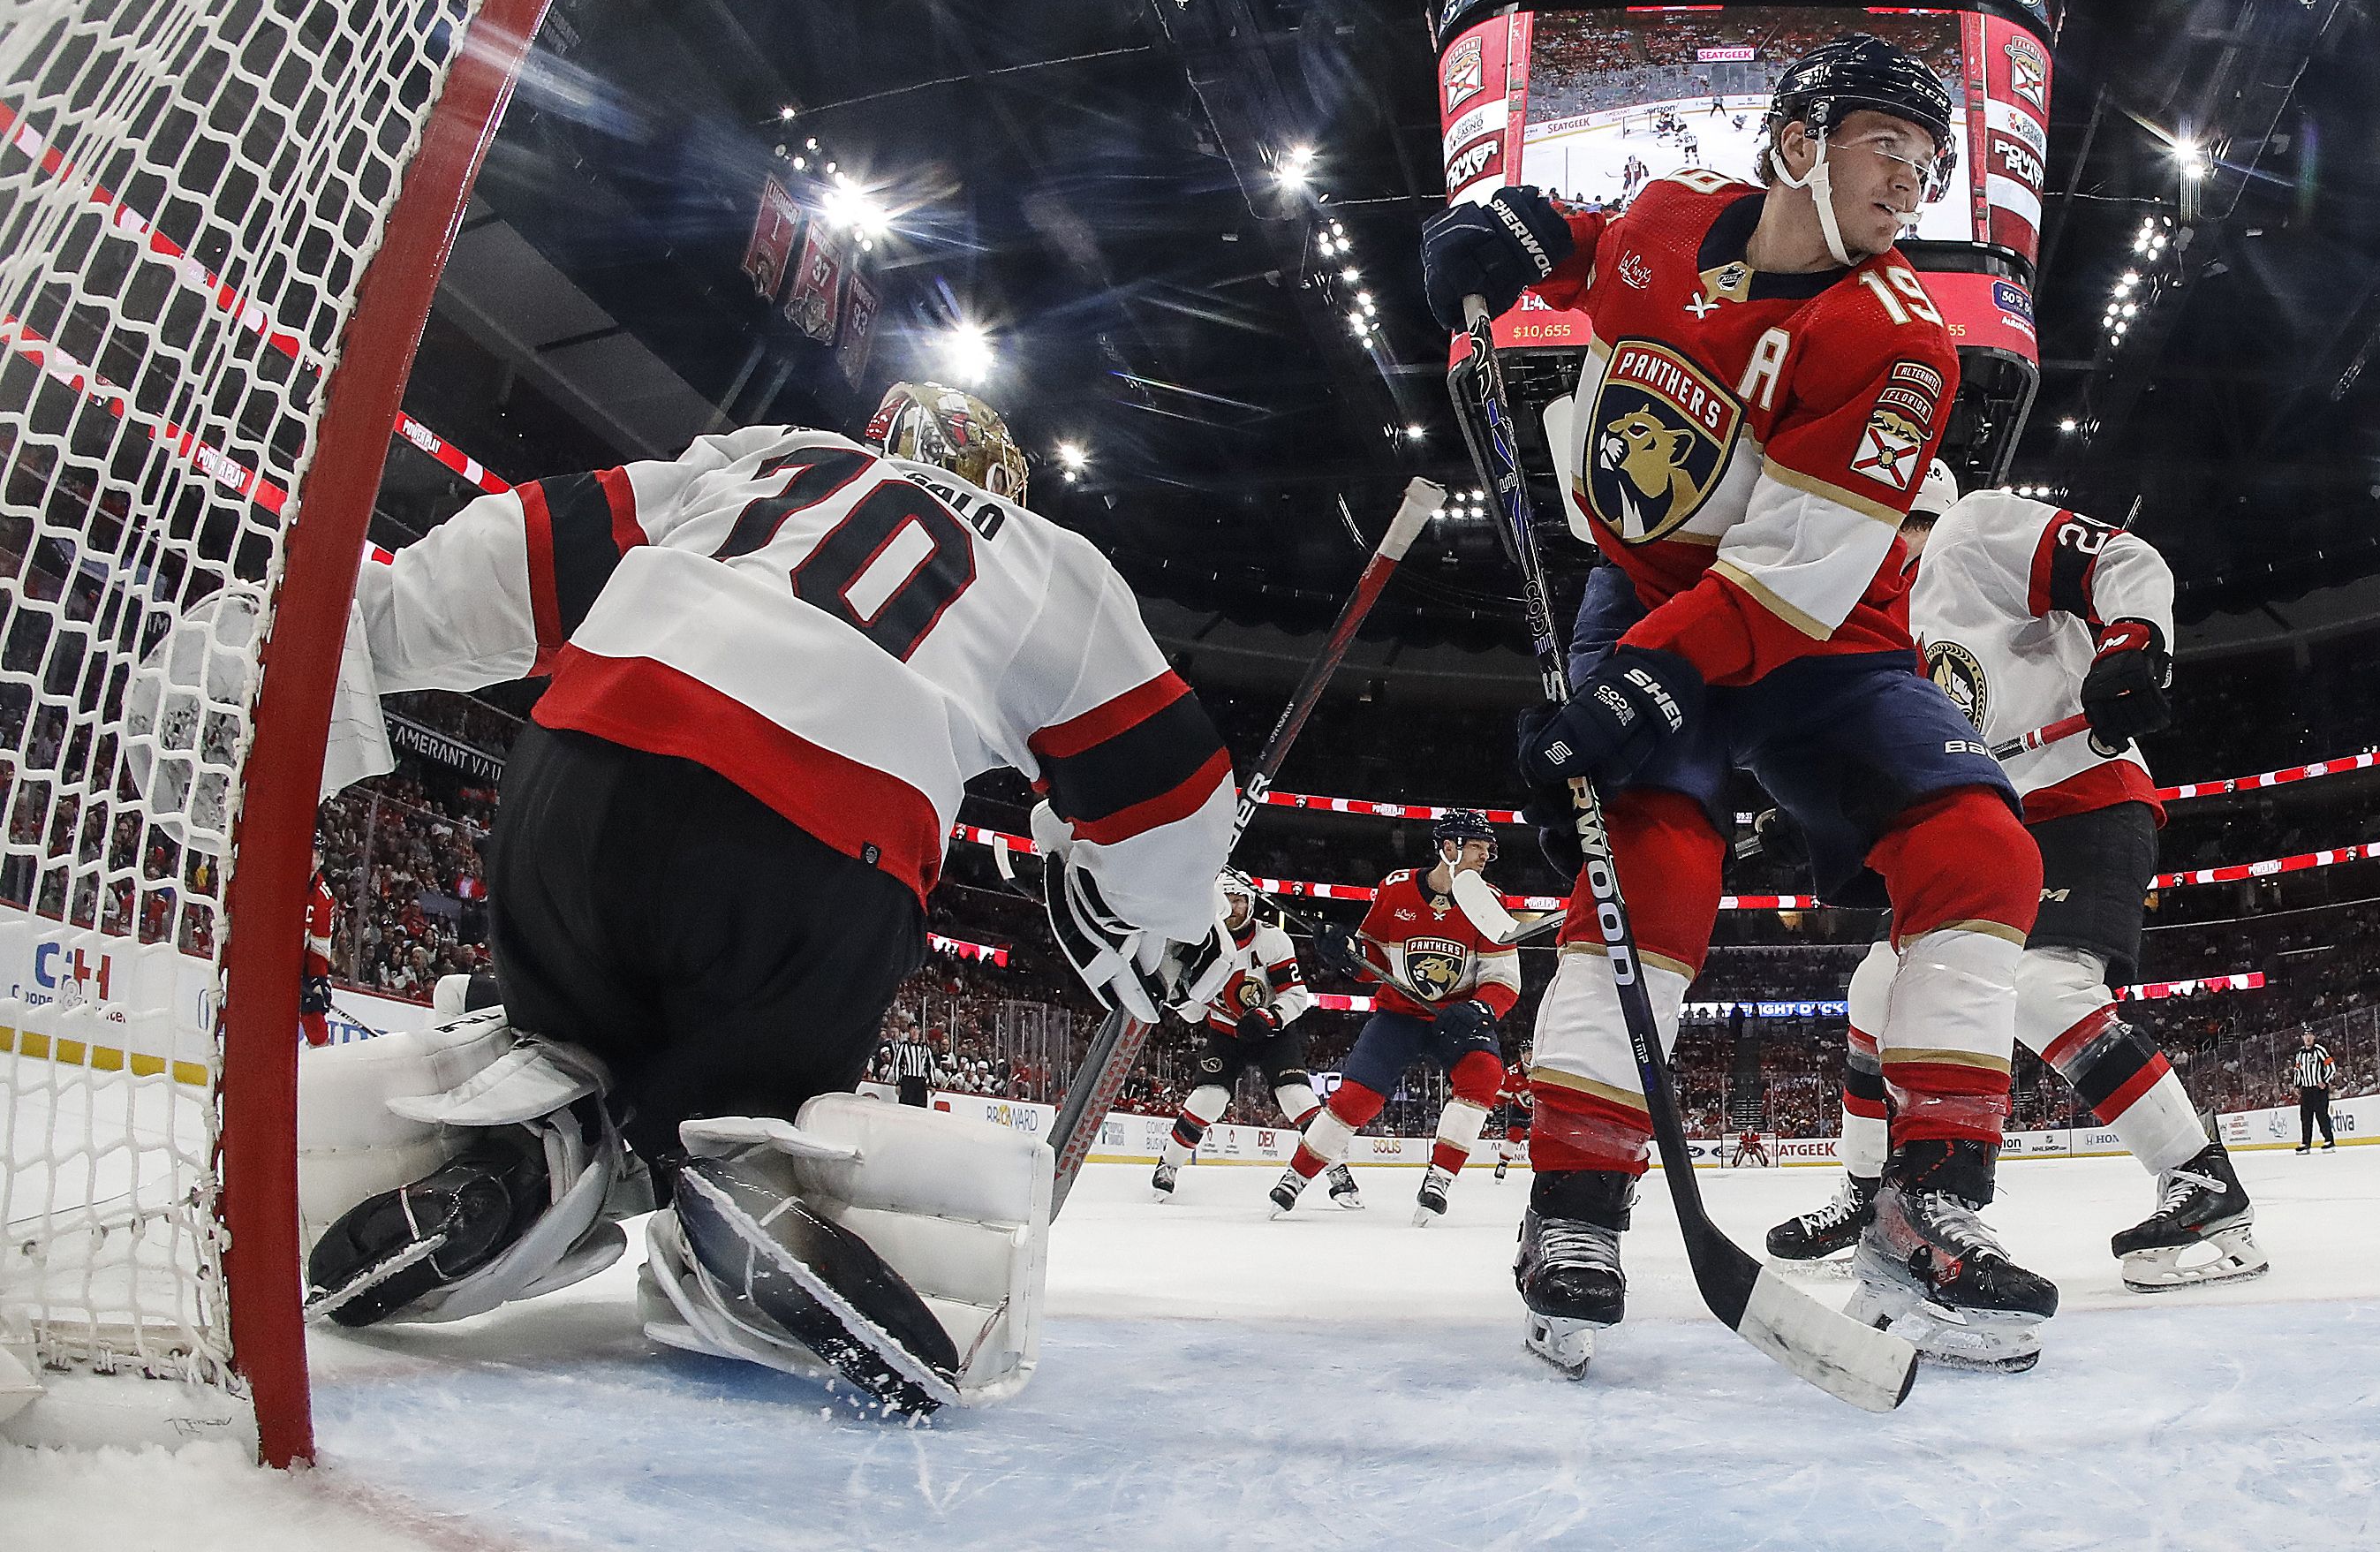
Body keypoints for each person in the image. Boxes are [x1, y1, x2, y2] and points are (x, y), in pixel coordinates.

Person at [298, 382, 1235, 1412]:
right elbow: (1175, 791)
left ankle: (528, 1143)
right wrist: (1158, 912)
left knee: (568, 1038)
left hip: (577, 772)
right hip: (822, 835)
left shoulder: (771, 455)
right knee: (749, 1095)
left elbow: (525, 548)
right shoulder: (1052, 559)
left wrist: (358, 641)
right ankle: (742, 1184)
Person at [1422, 33, 2056, 1376]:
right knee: (1644, 870)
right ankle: (1577, 1207)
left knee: (1980, 848)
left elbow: (1794, 579)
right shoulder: (1670, 216)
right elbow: (1592, 246)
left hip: (1826, 632)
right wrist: (1506, 236)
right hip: (1646, 587)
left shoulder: (1902, 345)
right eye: (1887, 141)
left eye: (1930, 157)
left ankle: (1925, 1202)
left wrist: (1647, 686)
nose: (1916, 174)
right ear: (1797, 143)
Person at [1768, 468, 2264, 1292]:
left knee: (2043, 987)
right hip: (1989, 826)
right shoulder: (1878, 623)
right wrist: (1820, 811)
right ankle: (1865, 1193)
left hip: (2083, 796)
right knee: (1877, 988)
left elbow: (2124, 559)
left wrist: (2133, 641)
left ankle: (2203, 1180)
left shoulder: (1974, 530)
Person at [1269, 814, 1522, 1224]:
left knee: (1485, 1076)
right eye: (1476, 846)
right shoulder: (1397, 888)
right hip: (1399, 1014)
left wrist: (1480, 1008)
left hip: (1455, 1017)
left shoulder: (1490, 903)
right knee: (1356, 1097)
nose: (1485, 855)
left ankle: (1439, 1179)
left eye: (1487, 848)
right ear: (1449, 847)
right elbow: (1371, 960)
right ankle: (1295, 1177)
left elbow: (1503, 978)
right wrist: (1344, 952)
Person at [1152, 871, 1345, 1201]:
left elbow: (1297, 996)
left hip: (1274, 1032)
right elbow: (1196, 1012)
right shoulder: (1197, 942)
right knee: (1207, 1098)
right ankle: (1168, 1165)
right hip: (1226, 1034)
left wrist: (1267, 1016)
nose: (1233, 908)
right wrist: (1180, 998)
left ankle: (1336, 1170)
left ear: (1251, 903)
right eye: (1226, 900)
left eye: (1239, 900)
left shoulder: (1272, 939)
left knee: (1296, 1096)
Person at [301, 851, 337, 1049]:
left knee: (312, 1005)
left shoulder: (323, 897)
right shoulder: (279, 877)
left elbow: (319, 945)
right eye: (309, 852)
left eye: (316, 855)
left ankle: (323, 1059)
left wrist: (318, 979)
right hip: (265, 953)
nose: (312, 859)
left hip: (297, 959)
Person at [2287, 1030, 2338, 1153]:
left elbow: (2331, 1067)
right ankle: (2306, 1143)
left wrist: (2325, 1081)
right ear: (2302, 1038)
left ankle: (2329, 1140)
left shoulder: (2319, 1050)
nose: (2308, 1038)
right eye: (2305, 1036)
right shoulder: (2300, 1054)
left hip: (2318, 1089)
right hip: (2306, 1090)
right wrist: (2297, 1085)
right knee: (2305, 1117)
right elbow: (2298, 1070)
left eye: (2310, 1035)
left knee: (2322, 1115)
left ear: (2314, 1037)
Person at [1492, 1041, 1535, 1179]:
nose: (1532, 1056)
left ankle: (1542, 1168)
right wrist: (1495, 1107)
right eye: (1529, 1053)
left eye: (1534, 1052)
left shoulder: (1545, 1072)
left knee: (1543, 1139)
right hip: (1521, 1109)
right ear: (1522, 1055)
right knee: (1514, 1134)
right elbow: (1502, 1095)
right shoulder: (1512, 1073)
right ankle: (1502, 1165)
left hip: (1542, 1111)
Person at [883, 1019, 936, 1109]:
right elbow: (897, 1064)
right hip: (907, 1081)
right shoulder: (903, 1046)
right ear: (909, 1031)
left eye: (916, 1029)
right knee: (905, 1107)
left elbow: (930, 1066)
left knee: (921, 1109)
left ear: (920, 1031)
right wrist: (897, 1083)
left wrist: (933, 1083)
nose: (914, 1032)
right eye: (912, 1029)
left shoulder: (925, 1048)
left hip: (920, 1082)